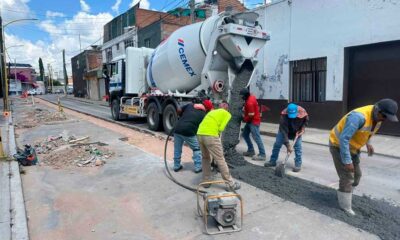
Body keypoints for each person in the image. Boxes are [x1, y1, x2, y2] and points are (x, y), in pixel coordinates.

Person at [329, 99, 398, 215]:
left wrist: (368, 143)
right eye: (384, 116)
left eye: (387, 118)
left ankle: (346, 192)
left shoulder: (378, 117)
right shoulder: (358, 117)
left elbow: (369, 131)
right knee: (347, 176)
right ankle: (345, 207)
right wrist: (347, 161)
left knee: (357, 176)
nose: (384, 119)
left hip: (354, 148)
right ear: (377, 110)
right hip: (338, 146)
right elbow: (343, 139)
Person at [197, 102, 241, 190]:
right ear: (227, 108)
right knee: (220, 159)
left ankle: (206, 182)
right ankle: (230, 184)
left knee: (205, 158)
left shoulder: (211, 112)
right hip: (211, 135)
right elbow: (221, 128)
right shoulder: (227, 114)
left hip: (200, 134)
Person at [264, 103, 308, 172]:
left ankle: (298, 164)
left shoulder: (302, 112)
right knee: (277, 144)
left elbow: (306, 120)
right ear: (287, 112)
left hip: (297, 131)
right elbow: (284, 132)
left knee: (298, 147)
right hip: (284, 130)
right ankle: (272, 161)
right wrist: (288, 145)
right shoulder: (283, 116)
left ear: (297, 112)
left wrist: (302, 129)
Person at [173, 100, 211, 173]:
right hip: (189, 131)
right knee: (196, 148)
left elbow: (178, 109)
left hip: (177, 129)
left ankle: (176, 166)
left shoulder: (190, 105)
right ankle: (198, 167)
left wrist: (180, 116)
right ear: (207, 109)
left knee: (177, 148)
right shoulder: (204, 115)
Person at [239, 88, 267, 160]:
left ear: (245, 95)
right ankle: (251, 150)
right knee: (245, 134)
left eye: (242, 96)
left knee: (256, 137)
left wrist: (244, 119)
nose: (241, 97)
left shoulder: (249, 103)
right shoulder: (251, 97)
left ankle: (262, 154)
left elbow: (251, 114)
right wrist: (244, 106)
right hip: (250, 121)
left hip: (253, 121)